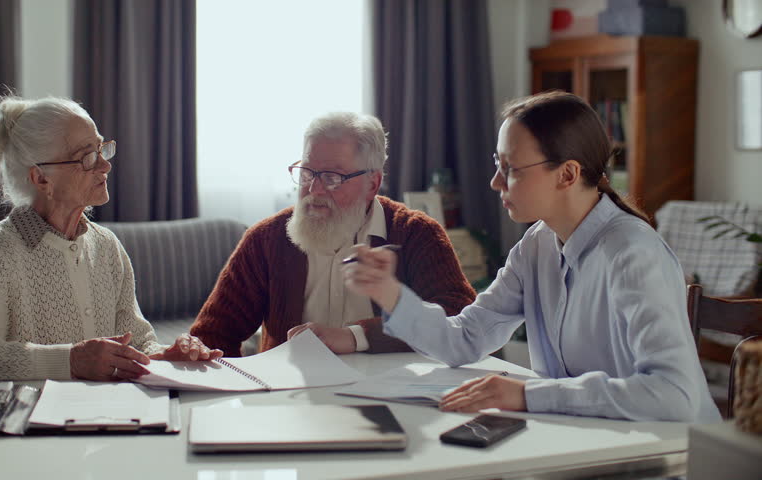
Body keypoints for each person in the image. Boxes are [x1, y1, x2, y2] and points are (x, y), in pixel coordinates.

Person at [343, 92, 721, 423]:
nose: (495, 182)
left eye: (510, 169)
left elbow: (675, 396)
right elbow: (464, 339)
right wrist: (390, 292)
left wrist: (527, 395)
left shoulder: (632, 253)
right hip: (589, 445)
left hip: (670, 458)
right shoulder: (537, 245)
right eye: (497, 163)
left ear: (568, 174)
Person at [0, 96, 219, 381]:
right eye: (87, 156)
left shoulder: (106, 246)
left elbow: (137, 344)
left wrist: (167, 356)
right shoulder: (0, 252)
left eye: (101, 149)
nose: (105, 166)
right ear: (42, 179)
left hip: (108, 419)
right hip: (37, 421)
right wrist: (69, 360)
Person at [181, 112, 475, 357]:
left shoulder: (416, 234)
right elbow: (213, 336)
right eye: (307, 173)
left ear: (372, 184)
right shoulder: (266, 240)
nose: (314, 190)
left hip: (392, 398)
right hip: (289, 401)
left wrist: (356, 336)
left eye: (333, 177)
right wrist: (195, 352)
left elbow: (459, 318)